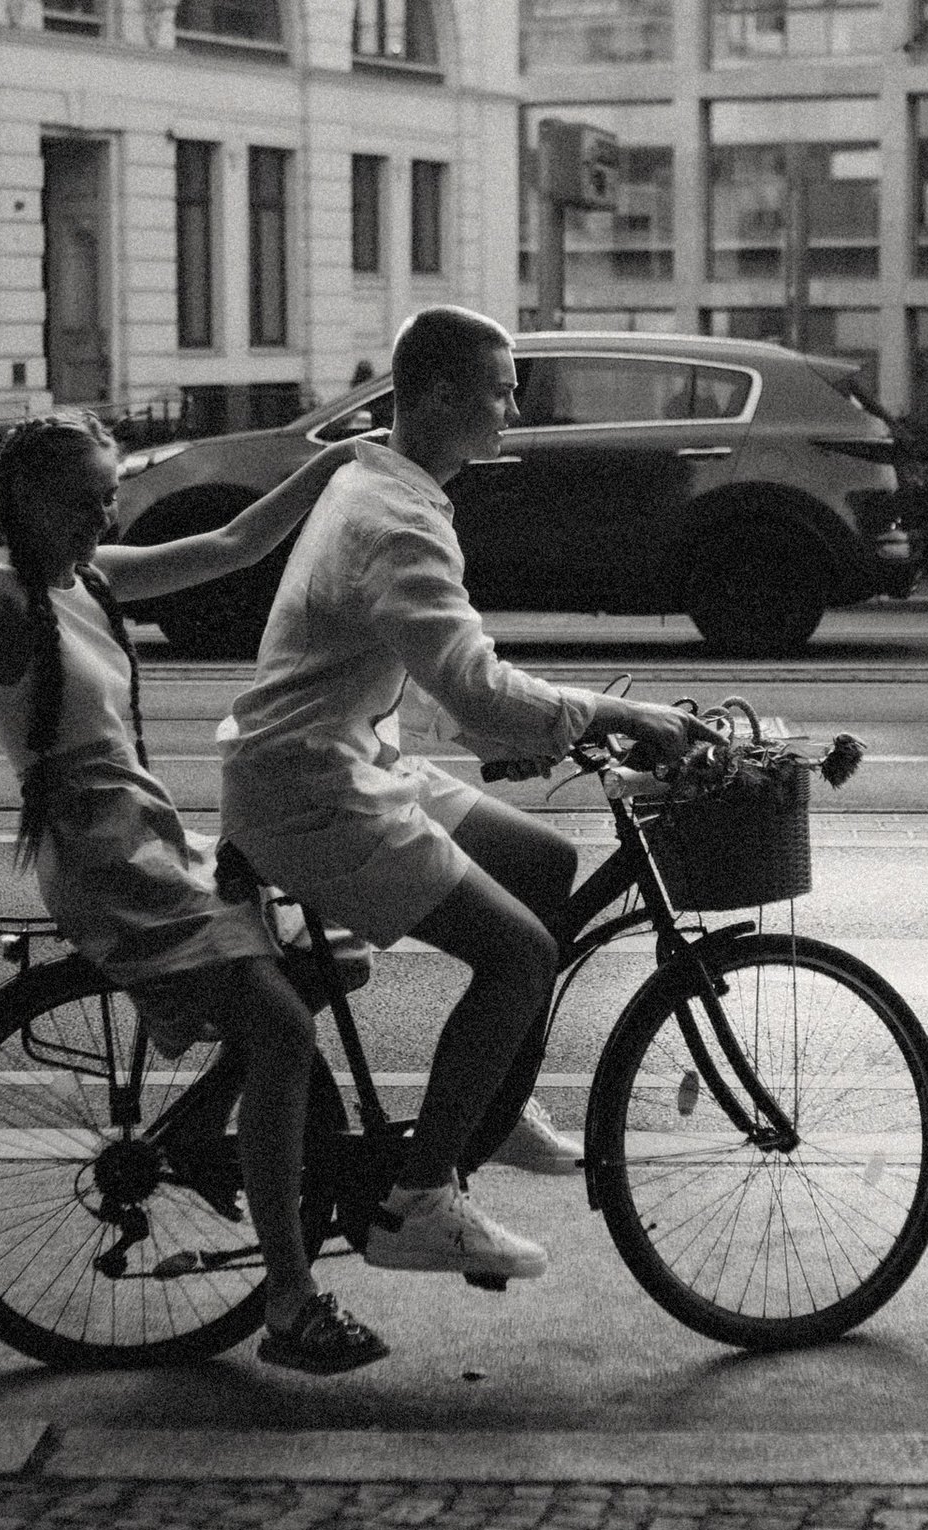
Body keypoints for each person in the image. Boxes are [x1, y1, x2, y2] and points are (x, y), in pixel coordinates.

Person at [0, 418, 383, 1373]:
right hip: (102, 855)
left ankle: (214, 1138)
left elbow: (229, 546)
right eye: (90, 497)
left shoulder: (90, 581)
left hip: (149, 834)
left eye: (108, 494)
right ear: (34, 504)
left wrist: (331, 462)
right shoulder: (5, 597)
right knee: (287, 1029)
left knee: (334, 958)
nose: (105, 511)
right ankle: (290, 1304)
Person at [219, 303, 690, 1289]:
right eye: (501, 387)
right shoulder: (397, 514)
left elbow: (410, 662)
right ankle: (419, 1198)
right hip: (313, 791)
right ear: (437, 394)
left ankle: (487, 1099)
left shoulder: (380, 477)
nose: (515, 405)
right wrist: (617, 714)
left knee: (545, 863)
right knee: (520, 954)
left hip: (343, 754)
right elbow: (468, 678)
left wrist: (501, 737)